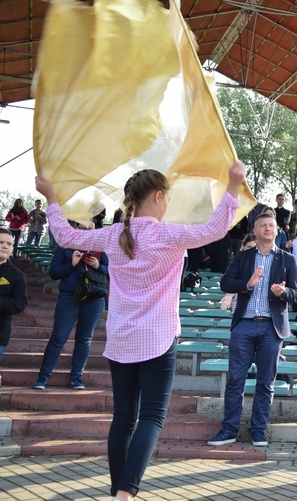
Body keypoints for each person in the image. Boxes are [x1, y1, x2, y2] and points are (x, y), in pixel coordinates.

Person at [36, 160, 246, 501]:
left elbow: (65, 235)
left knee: (123, 418)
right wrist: (233, 185)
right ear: (159, 196)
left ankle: (119, 491)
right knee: (151, 417)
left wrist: (51, 198)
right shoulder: (168, 233)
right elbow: (215, 229)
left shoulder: (114, 234)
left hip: (121, 338)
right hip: (159, 337)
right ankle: (125, 494)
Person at [208, 213, 297, 448]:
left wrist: (284, 293)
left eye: (271, 225)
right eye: (263, 226)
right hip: (244, 325)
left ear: (278, 230)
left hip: (272, 327)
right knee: (235, 380)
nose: (268, 228)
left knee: (266, 383)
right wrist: (247, 284)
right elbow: (225, 283)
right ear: (256, 230)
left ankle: (258, 430)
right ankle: (229, 429)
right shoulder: (243, 257)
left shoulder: (287, 260)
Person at [33, 244, 108, 390]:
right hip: (69, 296)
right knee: (58, 337)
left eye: (90, 228)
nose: (86, 231)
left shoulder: (101, 248)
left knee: (85, 339)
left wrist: (98, 266)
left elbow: (113, 271)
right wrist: (72, 264)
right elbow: (54, 273)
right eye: (82, 227)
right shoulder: (64, 248)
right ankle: (43, 377)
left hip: (94, 297)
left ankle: (76, 378)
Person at [0, 228, 28, 364]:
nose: (5, 246)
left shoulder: (17, 275)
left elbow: (20, 303)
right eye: (1, 242)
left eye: (9, 244)